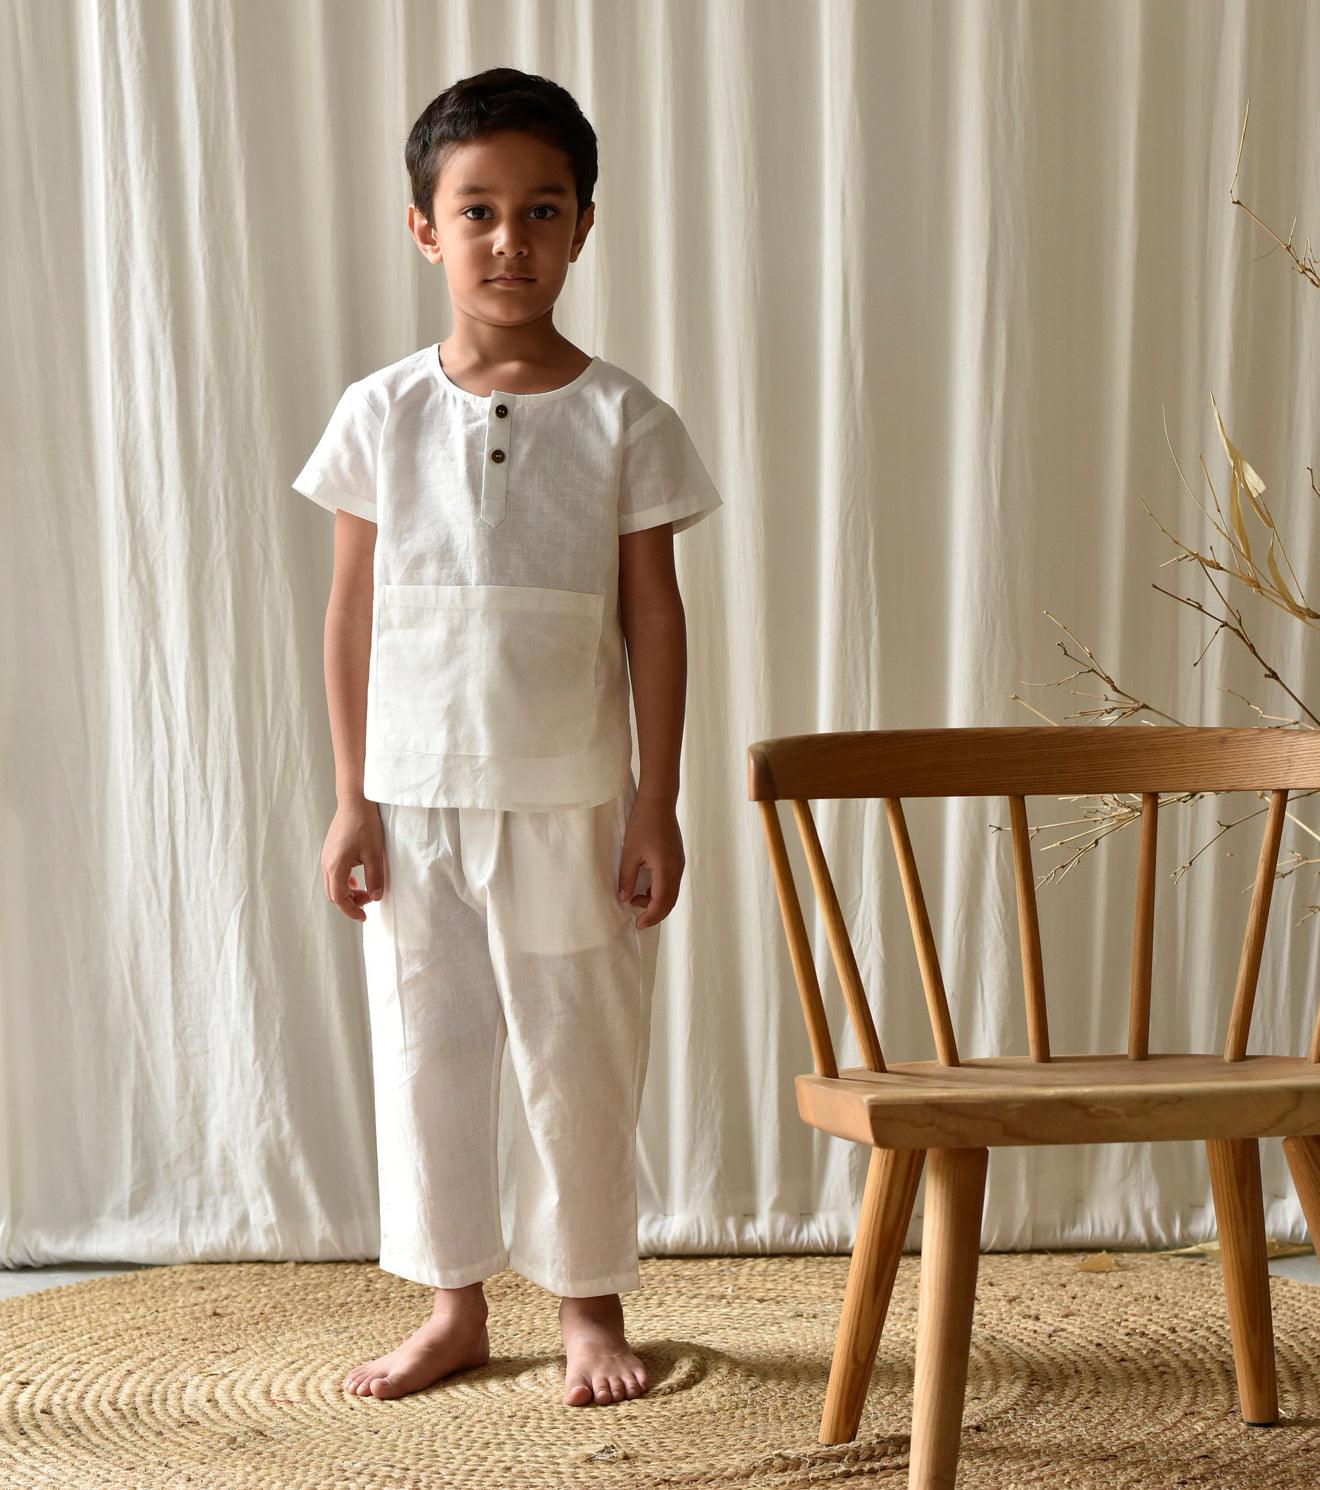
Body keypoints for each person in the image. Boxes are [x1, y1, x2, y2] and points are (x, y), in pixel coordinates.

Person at [291, 67, 722, 1409]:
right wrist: (351, 798)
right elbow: (352, 613)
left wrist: (654, 799)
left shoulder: (623, 418)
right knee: (429, 1055)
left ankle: (589, 1303)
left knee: (578, 1052)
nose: (509, 239)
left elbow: (654, 615)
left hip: (574, 802)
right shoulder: (380, 412)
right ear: (425, 227)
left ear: (584, 224)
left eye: (542, 209)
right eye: (476, 210)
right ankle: (454, 1305)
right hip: (413, 801)